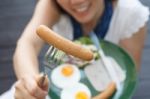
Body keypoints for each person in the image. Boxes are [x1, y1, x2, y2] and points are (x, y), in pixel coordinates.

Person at [1, 0, 149, 99]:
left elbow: (128, 76)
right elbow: (27, 44)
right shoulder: (51, 5)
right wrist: (29, 84)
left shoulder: (131, 13)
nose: (76, 1)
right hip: (55, 89)